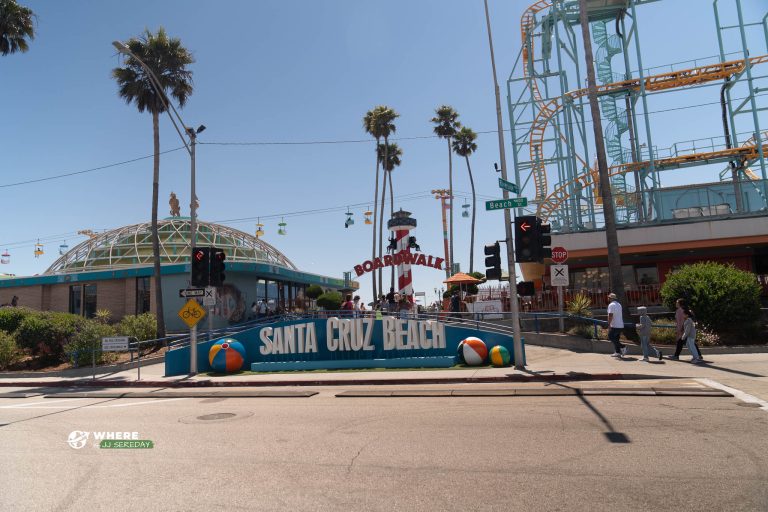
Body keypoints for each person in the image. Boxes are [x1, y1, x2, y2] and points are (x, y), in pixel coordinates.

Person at [606, 292, 627, 357]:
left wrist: (609, 324)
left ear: (611, 298)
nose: (608, 298)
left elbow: (610, 315)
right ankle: (617, 352)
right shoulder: (619, 304)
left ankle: (623, 347)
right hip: (620, 325)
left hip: (615, 325)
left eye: (609, 297)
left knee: (610, 336)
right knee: (616, 339)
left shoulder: (611, 305)